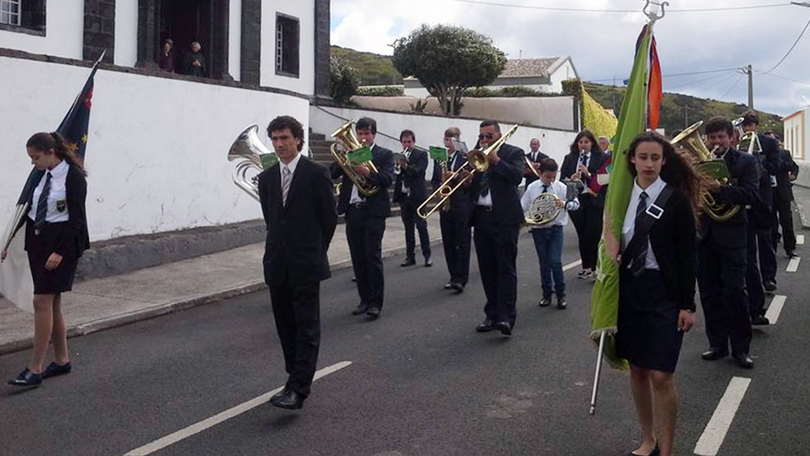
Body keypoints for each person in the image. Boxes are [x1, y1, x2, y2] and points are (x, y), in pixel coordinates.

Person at [615, 132, 699, 456]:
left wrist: (687, 304)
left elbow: (688, 254)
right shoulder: (620, 196)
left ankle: (667, 449)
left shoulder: (675, 200)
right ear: (632, 159)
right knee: (637, 369)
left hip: (665, 293)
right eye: (643, 157)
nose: (649, 164)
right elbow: (609, 236)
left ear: (664, 161)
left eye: (655, 158)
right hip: (631, 291)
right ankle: (647, 438)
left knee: (661, 373)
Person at [257, 116, 337, 410]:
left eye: (285, 139)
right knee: (285, 326)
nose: (279, 145)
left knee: (306, 326)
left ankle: (299, 388)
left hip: (306, 263)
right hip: (277, 263)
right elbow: (272, 220)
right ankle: (294, 377)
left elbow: (328, 219)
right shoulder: (266, 179)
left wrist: (313, 252)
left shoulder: (316, 173)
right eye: (275, 139)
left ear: (298, 140)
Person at [3, 132, 89, 387]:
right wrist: (9, 241)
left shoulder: (73, 178)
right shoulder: (41, 176)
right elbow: (28, 210)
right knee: (52, 303)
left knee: (41, 301)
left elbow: (76, 220)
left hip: (61, 245)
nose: (33, 163)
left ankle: (35, 368)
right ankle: (62, 361)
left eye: (35, 157)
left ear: (51, 152)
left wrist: (60, 251)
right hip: (39, 243)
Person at [698, 116, 759, 369]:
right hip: (705, 235)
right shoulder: (699, 163)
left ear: (731, 137)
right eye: (711, 138)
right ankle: (717, 344)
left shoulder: (746, 161)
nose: (716, 142)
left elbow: (751, 195)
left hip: (733, 235)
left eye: (720, 137)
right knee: (709, 292)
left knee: (735, 292)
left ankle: (741, 349)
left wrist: (719, 189)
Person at [465, 120, 525, 336]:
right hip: (481, 218)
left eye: (488, 136)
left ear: (499, 135)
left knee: (505, 268)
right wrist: (464, 181)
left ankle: (507, 317)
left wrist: (496, 159)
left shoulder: (514, 152)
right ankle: (491, 314)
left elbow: (517, 177)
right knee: (487, 268)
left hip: (504, 219)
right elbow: (475, 187)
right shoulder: (477, 155)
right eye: (481, 136)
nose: (484, 140)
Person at [332, 117, 394, 319]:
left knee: (372, 256)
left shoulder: (384, 154)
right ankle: (364, 299)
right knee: (357, 257)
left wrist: (367, 172)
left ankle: (376, 302)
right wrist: (343, 160)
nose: (363, 137)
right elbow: (331, 174)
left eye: (367, 133)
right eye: (360, 133)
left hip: (374, 212)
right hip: (353, 211)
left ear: (374, 134)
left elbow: (387, 179)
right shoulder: (350, 154)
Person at [520, 158, 579, 310]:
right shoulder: (532, 187)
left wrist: (565, 203)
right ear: (540, 173)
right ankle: (546, 295)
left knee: (556, 262)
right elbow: (523, 205)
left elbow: (576, 204)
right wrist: (524, 219)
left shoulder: (562, 187)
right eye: (547, 177)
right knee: (544, 264)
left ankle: (561, 295)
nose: (551, 180)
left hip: (555, 229)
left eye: (554, 176)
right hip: (539, 230)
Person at [560, 130, 608, 280]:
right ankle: (586, 267)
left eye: (586, 142)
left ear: (592, 143)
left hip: (594, 199)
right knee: (582, 233)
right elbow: (562, 179)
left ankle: (595, 268)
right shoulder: (570, 158)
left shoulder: (602, 157)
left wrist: (588, 174)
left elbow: (605, 179)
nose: (583, 145)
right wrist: (571, 178)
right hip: (576, 198)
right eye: (580, 142)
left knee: (593, 234)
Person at [741, 112, 779, 293]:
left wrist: (759, 166)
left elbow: (776, 166)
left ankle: (769, 278)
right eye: (745, 125)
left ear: (756, 125)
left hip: (763, 199)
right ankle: (751, 280)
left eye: (751, 125)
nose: (748, 128)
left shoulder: (769, 143)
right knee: (747, 246)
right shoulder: (738, 144)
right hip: (746, 201)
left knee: (765, 241)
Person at [431, 127, 473, 293]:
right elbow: (434, 180)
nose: (448, 142)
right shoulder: (439, 158)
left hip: (461, 203)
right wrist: (438, 190)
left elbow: (470, 180)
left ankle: (462, 278)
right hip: (445, 204)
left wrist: (455, 176)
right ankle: (453, 276)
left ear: (458, 140)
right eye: (446, 139)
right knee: (448, 242)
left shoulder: (465, 158)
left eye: (451, 139)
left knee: (462, 242)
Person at [394, 130, 431, 268]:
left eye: (409, 142)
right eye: (404, 142)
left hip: (418, 196)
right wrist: (397, 166)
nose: (407, 144)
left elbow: (418, 171)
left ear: (414, 142)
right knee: (408, 228)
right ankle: (410, 257)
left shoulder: (421, 154)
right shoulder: (399, 156)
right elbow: (396, 174)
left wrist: (405, 166)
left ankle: (427, 256)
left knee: (421, 226)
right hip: (404, 196)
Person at [765, 131, 799, 257]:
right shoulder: (762, 155)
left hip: (783, 191)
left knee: (787, 221)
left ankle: (790, 248)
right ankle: (772, 246)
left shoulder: (784, 153)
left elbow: (793, 166)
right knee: (771, 221)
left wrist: (792, 174)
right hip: (769, 192)